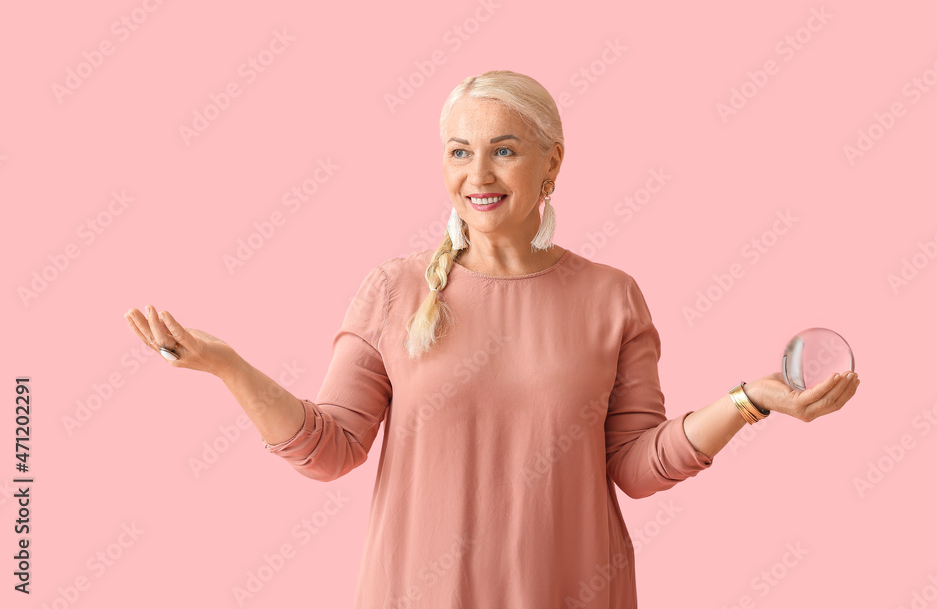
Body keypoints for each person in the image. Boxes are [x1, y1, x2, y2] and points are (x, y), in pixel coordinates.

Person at [124, 70, 860, 608]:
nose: (477, 173)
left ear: (552, 163)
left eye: (504, 150)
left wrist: (746, 401)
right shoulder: (394, 289)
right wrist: (226, 365)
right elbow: (330, 448)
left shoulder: (611, 297)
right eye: (457, 151)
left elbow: (637, 465)